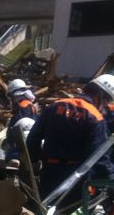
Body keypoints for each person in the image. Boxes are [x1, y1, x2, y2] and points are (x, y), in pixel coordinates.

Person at [26, 73, 114, 206]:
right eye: (107, 101)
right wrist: (110, 178)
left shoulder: (55, 106)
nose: (106, 105)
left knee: (41, 210)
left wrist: (32, 162)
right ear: (100, 95)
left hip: (48, 171)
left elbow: (33, 138)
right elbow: (98, 157)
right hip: (74, 180)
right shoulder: (95, 118)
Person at [4, 78, 39, 161]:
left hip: (21, 146)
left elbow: (20, 128)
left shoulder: (23, 107)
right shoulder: (29, 105)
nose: (12, 100)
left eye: (12, 97)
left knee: (8, 157)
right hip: (28, 144)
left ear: (15, 95)